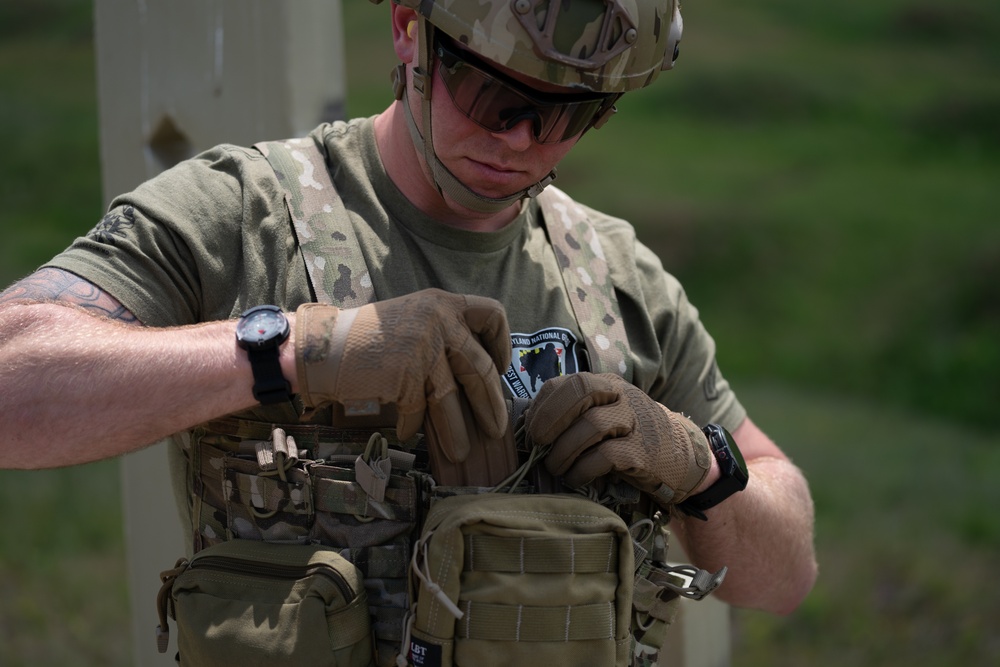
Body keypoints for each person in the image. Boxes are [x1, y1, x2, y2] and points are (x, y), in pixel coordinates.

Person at [0, 0, 817, 663]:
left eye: (571, 113)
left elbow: (786, 571)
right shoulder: (245, 215)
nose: (523, 138)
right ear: (407, 31)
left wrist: (695, 460)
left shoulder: (618, 280)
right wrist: (299, 349)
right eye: (494, 96)